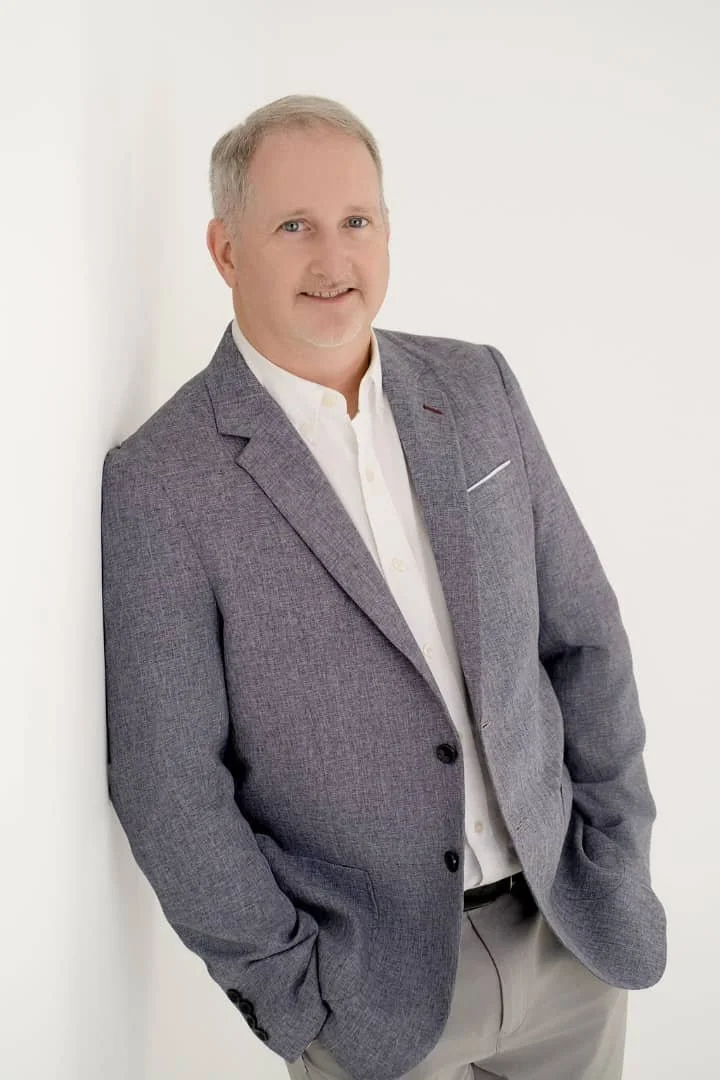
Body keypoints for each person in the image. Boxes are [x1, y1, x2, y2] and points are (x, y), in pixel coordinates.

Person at [100, 94, 667, 1080]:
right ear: (226, 250)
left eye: (356, 220)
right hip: (370, 999)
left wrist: (612, 857)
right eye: (294, 226)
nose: (334, 259)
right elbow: (169, 782)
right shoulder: (164, 479)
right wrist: (293, 994)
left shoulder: (478, 389)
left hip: (567, 941)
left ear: (388, 230)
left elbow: (584, 637)